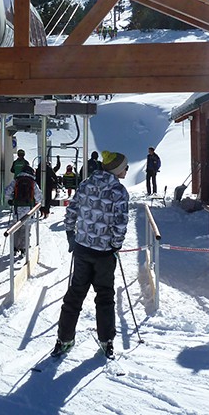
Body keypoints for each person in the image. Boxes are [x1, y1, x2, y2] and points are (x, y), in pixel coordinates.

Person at [52, 150, 130, 359]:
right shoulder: (118, 191)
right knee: (104, 296)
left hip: (83, 249)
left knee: (75, 294)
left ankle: (64, 339)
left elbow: (71, 210)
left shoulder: (86, 184)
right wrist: (115, 245)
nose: (126, 170)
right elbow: (120, 224)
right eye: (125, 167)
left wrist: (71, 234)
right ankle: (107, 340)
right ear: (116, 169)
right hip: (104, 254)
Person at [3, 164, 42, 258]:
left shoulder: (16, 180)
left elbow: (7, 192)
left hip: (17, 209)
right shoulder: (32, 182)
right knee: (26, 229)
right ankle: (24, 249)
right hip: (29, 209)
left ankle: (15, 248)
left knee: (16, 228)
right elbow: (39, 197)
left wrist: (12, 200)